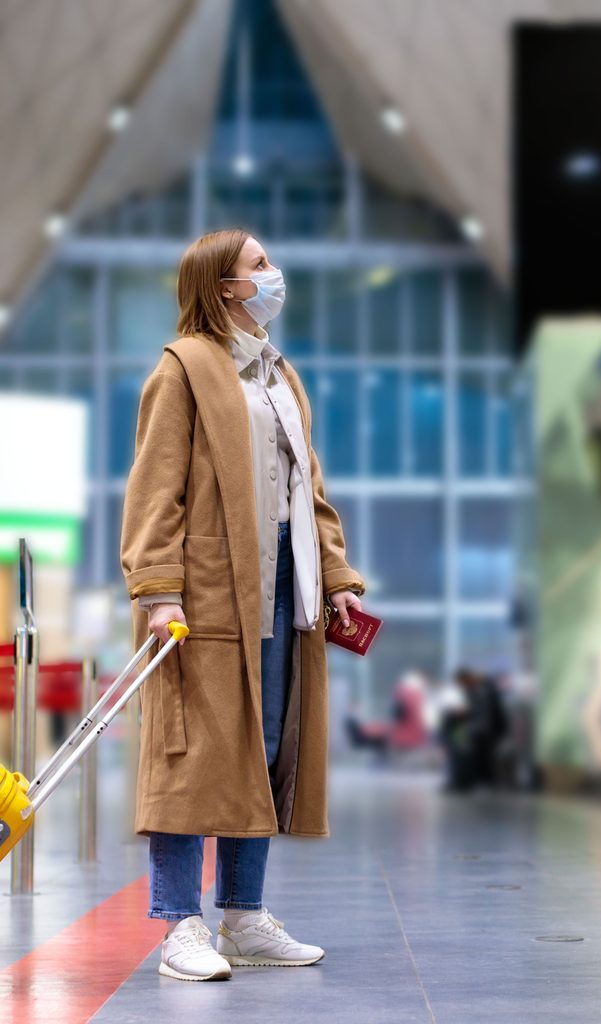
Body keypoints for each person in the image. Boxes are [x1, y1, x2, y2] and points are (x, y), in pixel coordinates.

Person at [120, 229, 368, 982]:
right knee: (193, 758)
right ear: (224, 286)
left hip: (277, 597)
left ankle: (244, 916)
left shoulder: (279, 377)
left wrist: (337, 579)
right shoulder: (183, 368)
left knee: (257, 757)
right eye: (259, 265)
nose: (272, 274)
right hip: (203, 600)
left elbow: (311, 496)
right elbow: (155, 490)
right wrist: (159, 592)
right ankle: (179, 929)